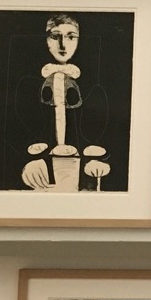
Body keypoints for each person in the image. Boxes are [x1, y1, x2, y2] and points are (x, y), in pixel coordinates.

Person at [16, 13, 111, 192]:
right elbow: (20, 128)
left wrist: (95, 161)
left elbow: (100, 129)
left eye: (71, 37)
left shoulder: (93, 86)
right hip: (41, 174)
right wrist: (30, 162)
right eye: (55, 36)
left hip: (78, 171)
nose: (62, 45)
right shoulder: (27, 84)